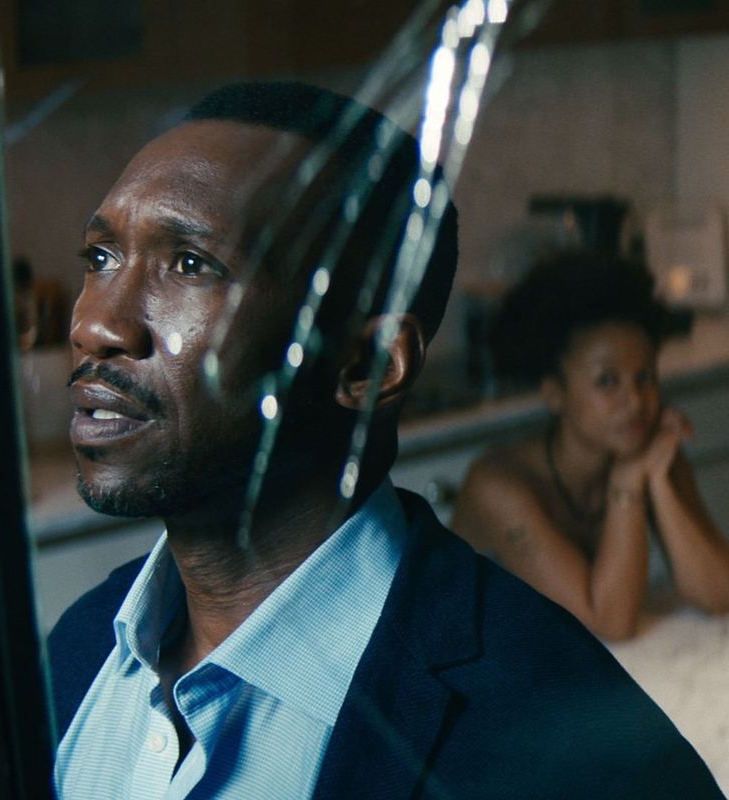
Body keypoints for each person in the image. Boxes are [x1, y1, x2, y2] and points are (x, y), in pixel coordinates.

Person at [49, 83, 725, 799]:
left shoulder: (575, 749)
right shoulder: (78, 652)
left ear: (369, 366)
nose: (95, 325)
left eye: (190, 264)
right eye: (101, 257)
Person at [452, 252, 729, 642]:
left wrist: (659, 483)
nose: (635, 401)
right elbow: (609, 623)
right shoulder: (498, 486)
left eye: (644, 377)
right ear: (555, 393)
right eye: (607, 381)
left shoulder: (645, 449)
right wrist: (628, 481)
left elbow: (719, 595)